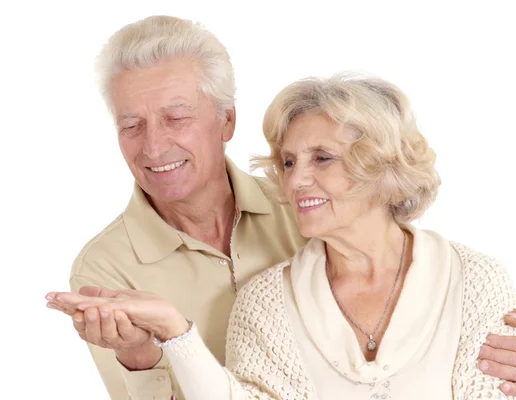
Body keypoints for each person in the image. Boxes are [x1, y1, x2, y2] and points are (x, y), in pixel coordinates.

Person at [46, 15, 516, 399]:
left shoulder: (308, 209)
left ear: (227, 120)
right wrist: (143, 355)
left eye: (177, 118)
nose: (153, 146)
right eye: (131, 125)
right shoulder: (106, 270)